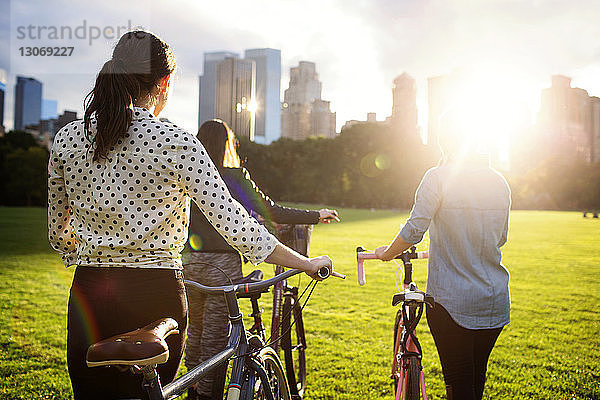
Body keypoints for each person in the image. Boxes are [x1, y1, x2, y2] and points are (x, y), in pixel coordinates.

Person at [47, 30, 332, 400]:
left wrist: (93, 252)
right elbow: (238, 227)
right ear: (164, 82)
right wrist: (305, 263)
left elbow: (58, 233)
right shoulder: (176, 141)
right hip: (154, 295)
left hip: (89, 293)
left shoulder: (68, 138)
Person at [184, 119, 339, 399]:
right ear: (227, 145)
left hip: (190, 264)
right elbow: (271, 211)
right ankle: (206, 395)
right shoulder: (234, 176)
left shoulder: (190, 173)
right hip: (223, 266)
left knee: (194, 332)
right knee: (214, 338)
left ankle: (192, 388)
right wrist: (316, 215)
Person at [374, 109, 511, 400]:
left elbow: (414, 230)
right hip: (495, 300)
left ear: (444, 142)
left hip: (452, 302)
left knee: (459, 384)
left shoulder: (437, 177)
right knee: (475, 381)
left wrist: (387, 253)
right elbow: (501, 238)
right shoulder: (500, 182)